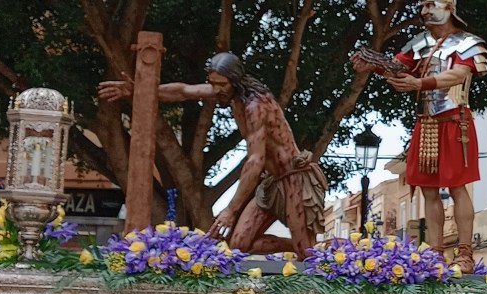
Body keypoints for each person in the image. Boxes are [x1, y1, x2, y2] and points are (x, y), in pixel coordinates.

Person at [98, 52, 327, 256]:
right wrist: (139, 90)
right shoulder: (232, 93)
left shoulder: (255, 107)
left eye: (221, 84)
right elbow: (183, 91)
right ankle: (305, 246)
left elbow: (255, 161)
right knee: (239, 245)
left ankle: (321, 250)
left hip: (292, 178)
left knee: (307, 254)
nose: (216, 90)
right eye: (213, 83)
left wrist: (230, 210)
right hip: (273, 181)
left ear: (235, 80)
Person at [350, 0, 487, 272]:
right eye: (423, 6)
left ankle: (465, 253)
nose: (424, 11)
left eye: (430, 5)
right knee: (428, 189)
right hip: (425, 123)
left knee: (457, 186)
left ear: (448, 8)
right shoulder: (420, 42)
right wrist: (372, 64)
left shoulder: (469, 42)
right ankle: (435, 253)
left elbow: (458, 74)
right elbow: (396, 67)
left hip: (454, 122)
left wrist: (419, 83)